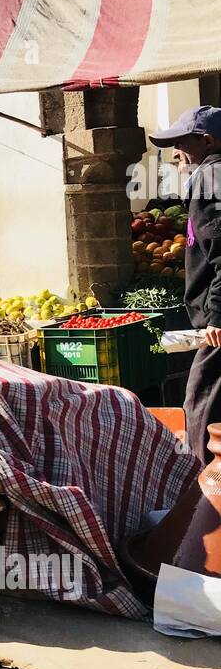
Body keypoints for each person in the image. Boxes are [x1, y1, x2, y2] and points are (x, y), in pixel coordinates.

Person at [149, 105, 221, 466]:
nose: (174, 152)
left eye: (180, 142)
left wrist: (217, 317)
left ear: (207, 140)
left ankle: (200, 491)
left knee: (200, 399)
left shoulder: (211, 180)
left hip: (218, 324)